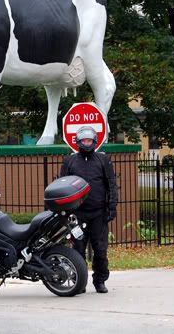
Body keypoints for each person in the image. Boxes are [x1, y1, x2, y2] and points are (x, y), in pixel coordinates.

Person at [60, 125, 119, 293]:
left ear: (95, 141)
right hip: (77, 214)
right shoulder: (69, 161)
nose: (87, 143)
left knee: (100, 250)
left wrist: (112, 206)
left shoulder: (103, 160)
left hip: (98, 213)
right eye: (84, 140)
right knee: (78, 250)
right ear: (78, 142)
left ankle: (100, 281)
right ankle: (80, 282)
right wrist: (64, 212)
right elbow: (62, 186)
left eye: (90, 140)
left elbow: (111, 184)